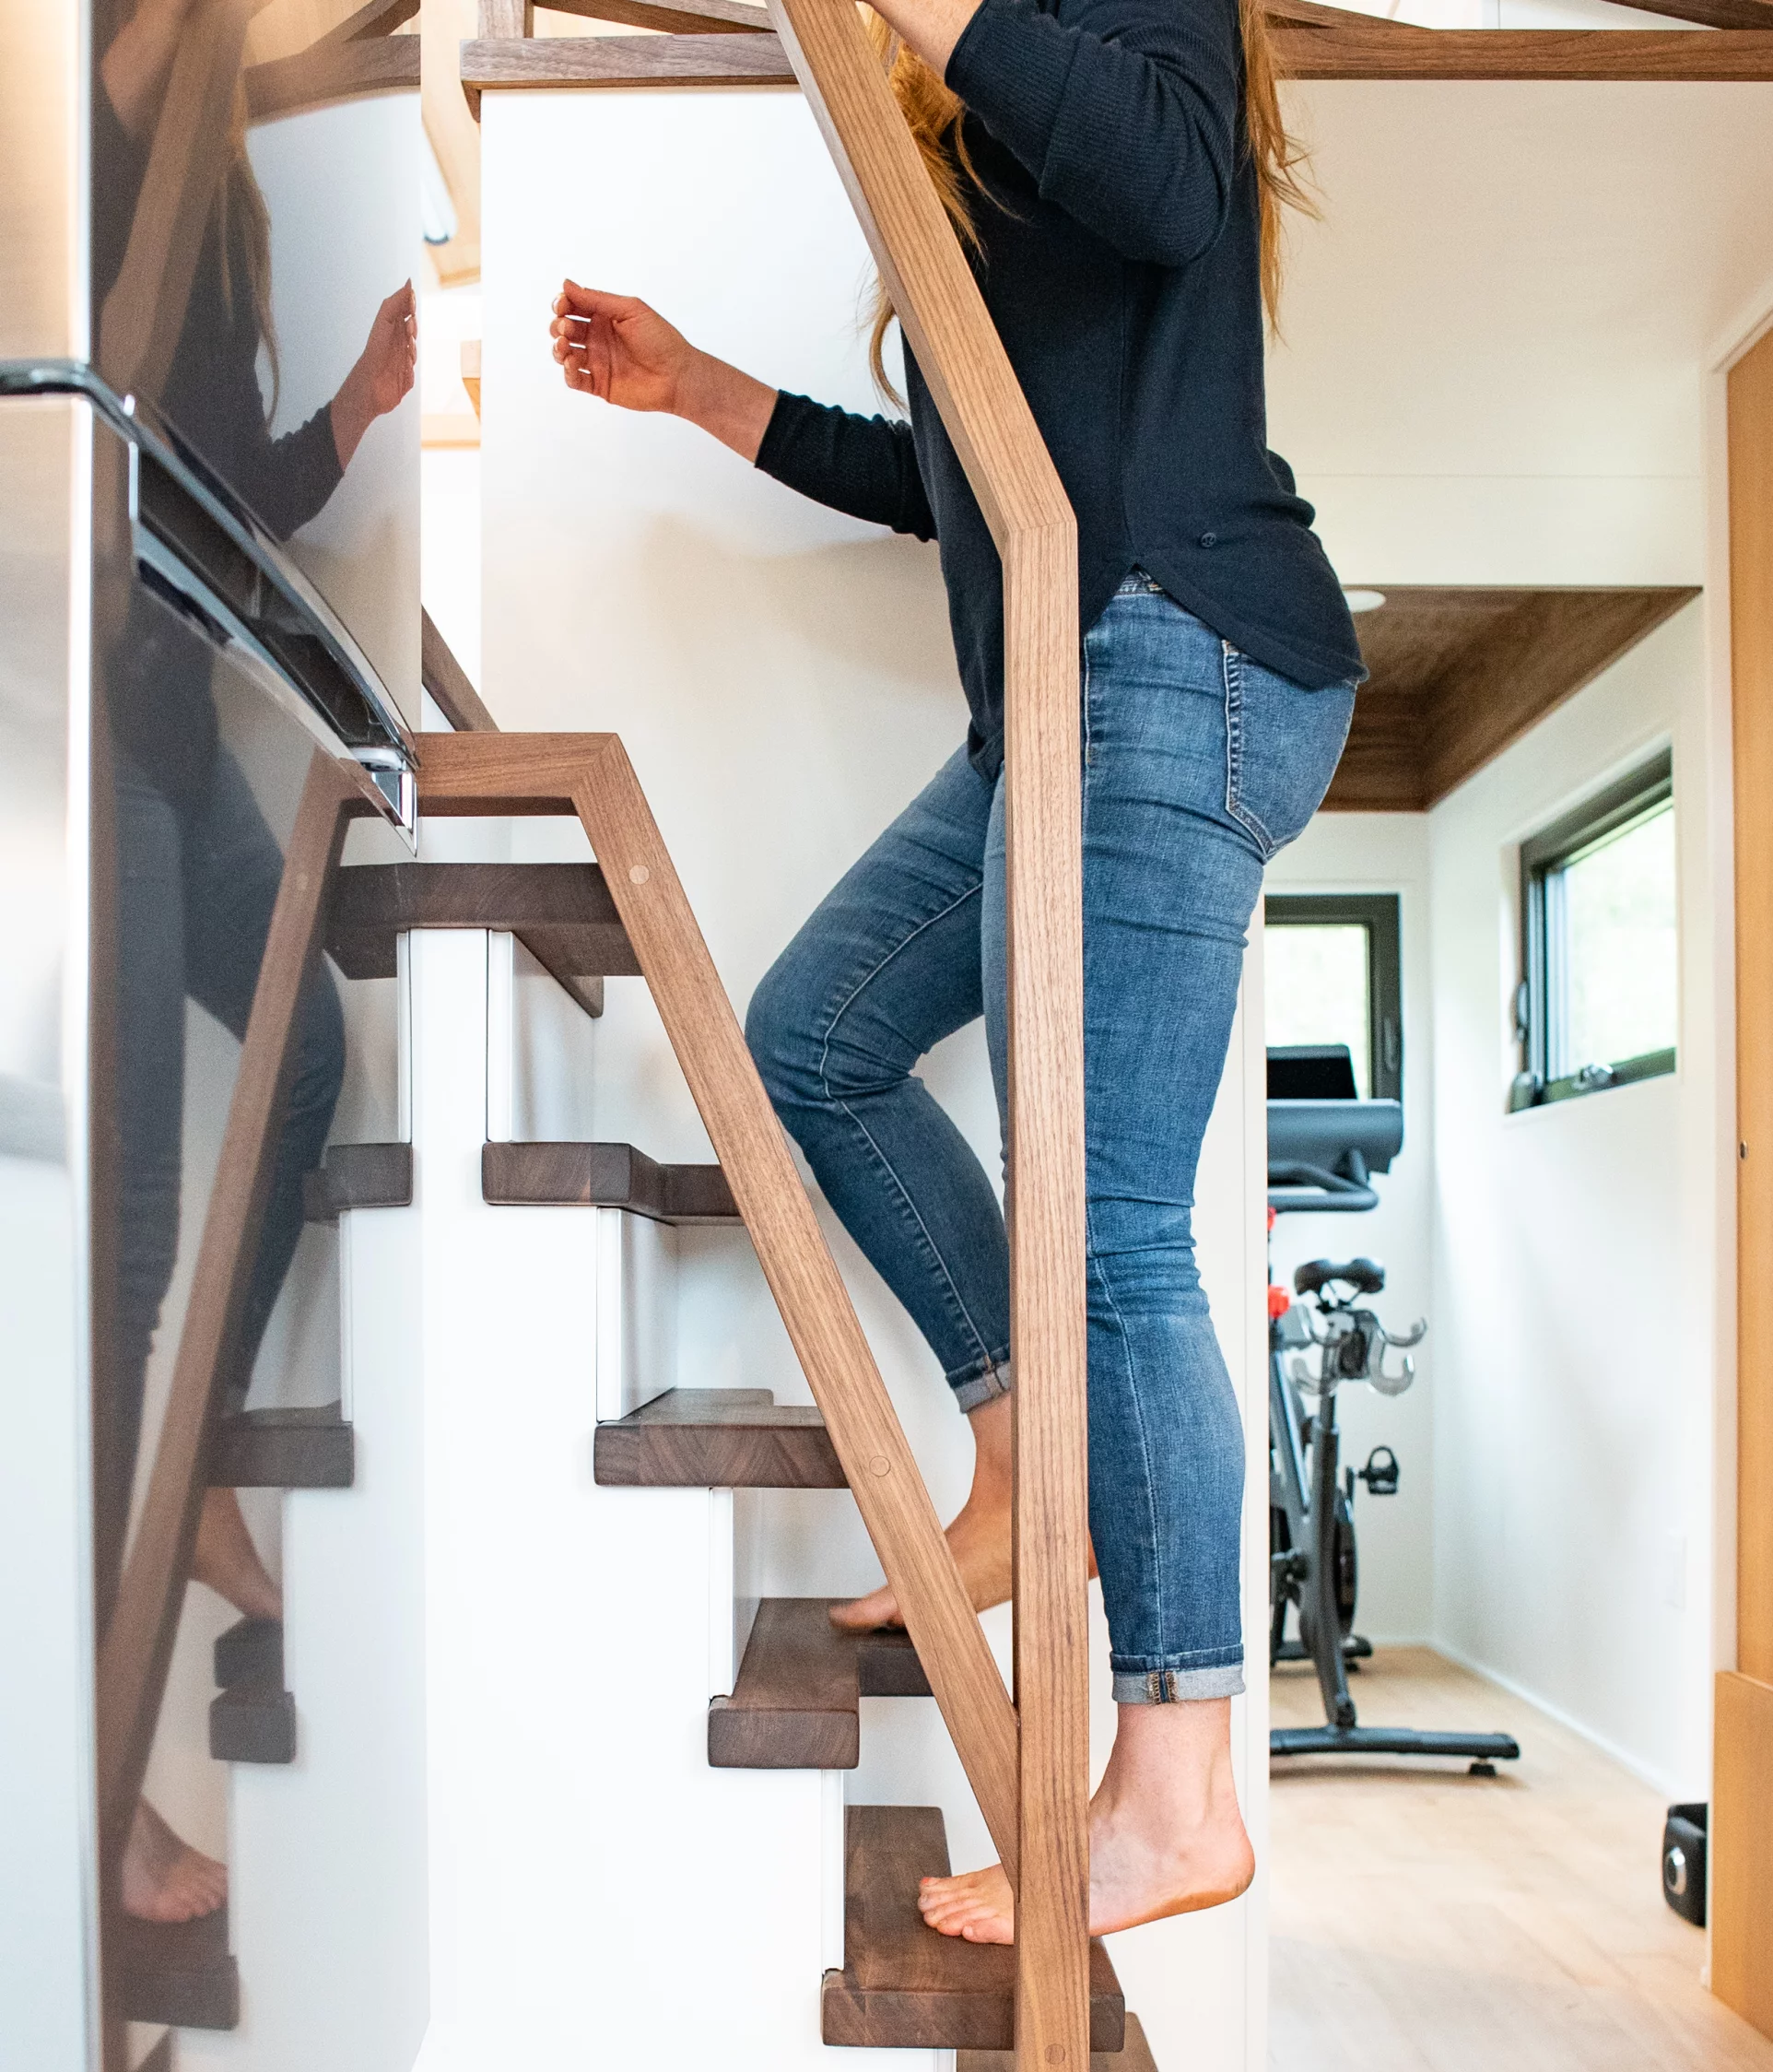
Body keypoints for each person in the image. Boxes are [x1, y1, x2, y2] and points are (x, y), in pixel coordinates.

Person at [548, 0, 1363, 1942]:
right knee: (815, 1035)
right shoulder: (991, 128)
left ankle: (1175, 1793)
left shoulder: (1130, 31)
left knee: (1111, 1224)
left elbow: (1170, 186)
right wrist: (704, 393)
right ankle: (1017, 1460)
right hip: (1059, 690)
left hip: (1176, 649)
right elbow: (964, 476)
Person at [97, 0, 416, 1922]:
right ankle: (102, 1814)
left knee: (307, 1049)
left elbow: (217, 508)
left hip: (175, 736)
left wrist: (357, 414)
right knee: (126, 1261)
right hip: (71, 737)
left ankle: (205, 1468)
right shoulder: (58, 161)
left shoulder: (214, 200)